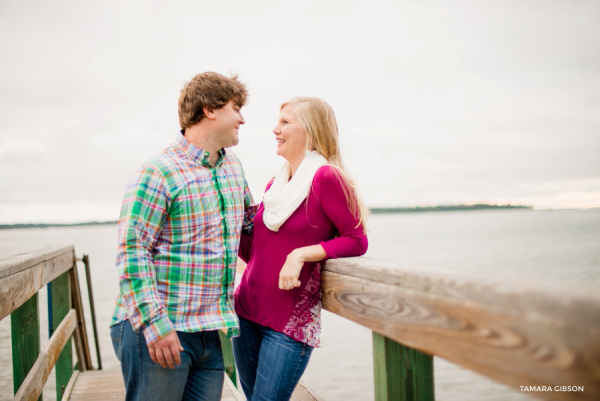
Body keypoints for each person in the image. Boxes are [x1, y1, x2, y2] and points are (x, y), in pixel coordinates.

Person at [109, 72, 256, 401]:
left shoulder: (234, 167)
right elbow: (132, 252)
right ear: (209, 109)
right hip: (158, 327)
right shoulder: (158, 171)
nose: (242, 119)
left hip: (209, 330)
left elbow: (250, 226)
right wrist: (155, 324)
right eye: (236, 108)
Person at [233, 96, 369, 400]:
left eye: (284, 122)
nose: (275, 130)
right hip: (246, 311)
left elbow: (357, 239)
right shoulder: (275, 185)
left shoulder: (326, 178)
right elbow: (256, 252)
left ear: (309, 130)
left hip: (288, 324)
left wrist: (301, 254)